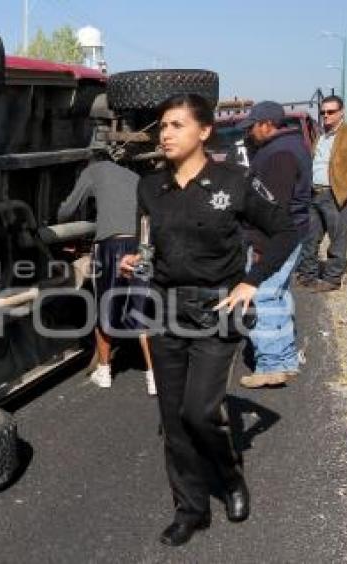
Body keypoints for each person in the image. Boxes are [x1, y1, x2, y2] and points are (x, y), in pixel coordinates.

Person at [120, 94, 297, 546]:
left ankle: (230, 478)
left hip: (217, 312)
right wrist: (136, 261)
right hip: (165, 312)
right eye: (162, 126)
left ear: (204, 132)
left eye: (177, 125)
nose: (165, 134)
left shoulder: (235, 180)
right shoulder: (149, 188)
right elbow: (150, 247)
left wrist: (252, 281)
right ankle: (191, 509)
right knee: (172, 420)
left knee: (200, 412)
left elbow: (285, 231)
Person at [57, 158, 156, 395]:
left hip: (110, 247)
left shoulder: (93, 169)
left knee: (105, 306)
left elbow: (68, 210)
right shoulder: (134, 176)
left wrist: (58, 223)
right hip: (141, 245)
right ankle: (153, 377)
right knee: (142, 308)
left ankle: (104, 372)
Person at [236, 101, 311, 388]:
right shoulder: (291, 146)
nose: (249, 134)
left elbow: (273, 208)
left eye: (252, 127)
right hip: (292, 232)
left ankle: (270, 365)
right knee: (278, 294)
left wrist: (260, 247)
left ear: (267, 124)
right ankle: (286, 359)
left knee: (263, 296)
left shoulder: (279, 154)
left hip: (275, 236)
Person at [296, 95, 347, 291]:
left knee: (337, 240)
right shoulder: (322, 136)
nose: (326, 116)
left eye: (331, 112)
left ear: (341, 112)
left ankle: (332, 279)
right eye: (323, 112)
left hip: (335, 195)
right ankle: (308, 275)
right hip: (314, 193)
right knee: (310, 237)